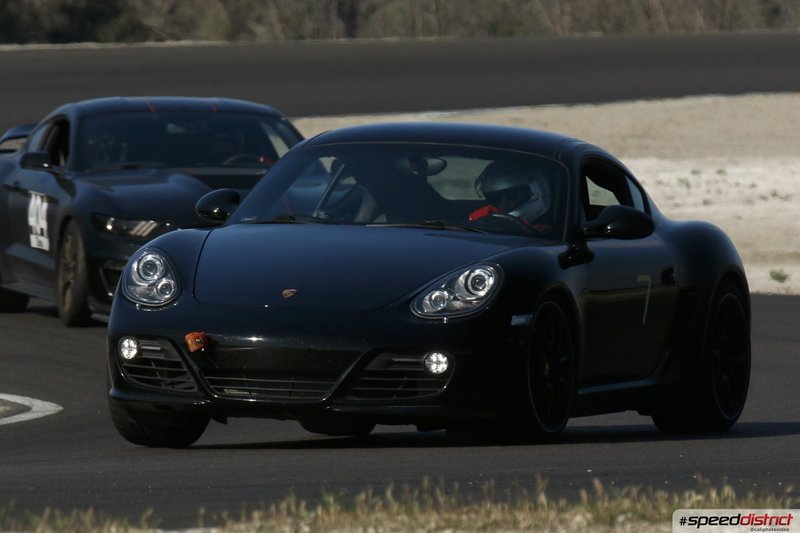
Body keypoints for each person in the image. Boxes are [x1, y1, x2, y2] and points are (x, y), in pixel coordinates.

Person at [469, 161, 552, 232]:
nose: (503, 203)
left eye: (511, 194)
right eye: (495, 197)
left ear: (534, 191)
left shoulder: (543, 232)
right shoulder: (480, 217)